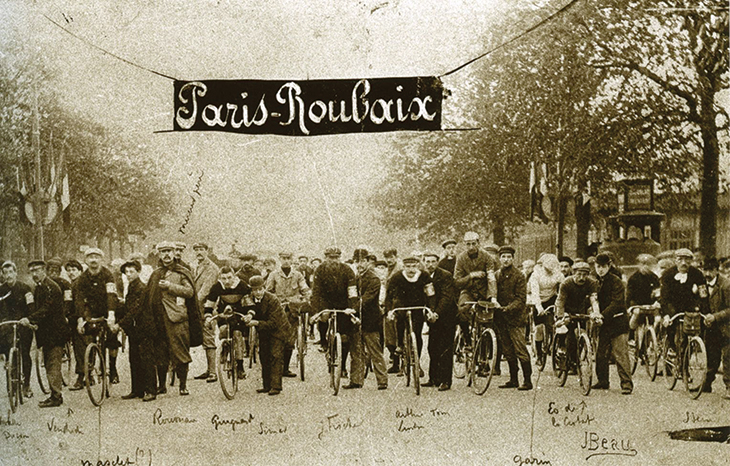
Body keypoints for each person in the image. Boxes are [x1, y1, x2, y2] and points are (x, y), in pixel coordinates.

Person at [145, 241, 202, 396]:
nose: (167, 254)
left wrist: (169, 286)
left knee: (180, 352)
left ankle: (182, 386)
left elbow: (189, 292)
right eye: (163, 251)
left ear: (174, 252)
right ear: (159, 254)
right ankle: (161, 385)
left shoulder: (182, 272)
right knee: (160, 353)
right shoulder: (156, 273)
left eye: (169, 251)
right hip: (159, 318)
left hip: (177, 318)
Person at [74, 248, 121, 387]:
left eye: (96, 257)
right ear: (86, 260)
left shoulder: (108, 275)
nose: (93, 260)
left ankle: (112, 368)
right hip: (92, 311)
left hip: (108, 308)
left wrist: (111, 314)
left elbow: (111, 295)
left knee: (112, 337)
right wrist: (80, 319)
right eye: (90, 257)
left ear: (101, 259)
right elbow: (79, 300)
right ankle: (89, 366)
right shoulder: (82, 279)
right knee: (87, 336)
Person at [25, 260, 68, 407]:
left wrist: (31, 319)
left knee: (52, 364)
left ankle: (56, 397)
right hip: (47, 333)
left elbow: (46, 309)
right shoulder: (40, 287)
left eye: (37, 270)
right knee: (50, 364)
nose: (34, 274)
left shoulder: (51, 287)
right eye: (32, 271)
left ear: (44, 270)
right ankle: (54, 394)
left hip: (55, 332)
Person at [310, 246, 357, 378]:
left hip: (343, 302)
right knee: (324, 317)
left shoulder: (347, 270)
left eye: (337, 258)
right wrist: (316, 312)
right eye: (331, 258)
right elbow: (316, 292)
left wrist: (352, 307)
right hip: (326, 301)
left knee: (345, 337)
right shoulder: (320, 270)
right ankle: (324, 342)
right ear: (326, 258)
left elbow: (352, 290)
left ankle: (342, 367)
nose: (334, 260)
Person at [345, 249, 388, 390]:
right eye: (357, 261)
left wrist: (354, 308)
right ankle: (356, 381)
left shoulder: (374, 279)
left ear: (368, 262)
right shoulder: (355, 278)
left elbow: (368, 298)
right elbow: (351, 296)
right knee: (356, 351)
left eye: (363, 261)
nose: (360, 264)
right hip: (356, 319)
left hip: (370, 320)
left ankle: (382, 381)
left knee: (375, 351)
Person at [385, 256, 436, 376]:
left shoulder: (424, 276)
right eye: (408, 266)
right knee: (400, 320)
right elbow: (389, 296)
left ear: (418, 266)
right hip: (402, 305)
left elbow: (431, 295)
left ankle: (417, 362)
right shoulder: (397, 277)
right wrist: (389, 311)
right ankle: (400, 345)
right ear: (403, 267)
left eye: (413, 266)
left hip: (418, 306)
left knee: (417, 334)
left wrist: (431, 310)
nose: (411, 269)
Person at [659, 249, 708, 365]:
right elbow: (664, 298)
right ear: (675, 261)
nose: (683, 263)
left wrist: (706, 313)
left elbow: (703, 295)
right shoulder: (667, 275)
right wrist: (666, 315)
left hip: (690, 306)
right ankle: (671, 347)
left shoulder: (697, 274)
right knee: (671, 324)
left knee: (692, 332)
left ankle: (686, 360)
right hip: (672, 306)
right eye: (680, 259)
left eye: (687, 259)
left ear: (691, 261)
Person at [244, 275, 291, 395]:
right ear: (251, 290)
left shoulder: (272, 299)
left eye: (260, 289)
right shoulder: (249, 299)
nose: (258, 292)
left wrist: (256, 322)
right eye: (255, 290)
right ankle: (266, 385)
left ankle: (276, 386)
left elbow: (274, 323)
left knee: (275, 355)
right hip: (264, 330)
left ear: (264, 288)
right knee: (264, 356)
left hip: (278, 330)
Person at [593, 253, 633, 394]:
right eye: (598, 267)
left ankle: (626, 384)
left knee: (620, 354)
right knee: (601, 353)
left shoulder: (616, 282)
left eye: (603, 267)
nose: (601, 270)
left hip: (617, 321)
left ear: (609, 266)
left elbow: (617, 303)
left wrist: (601, 315)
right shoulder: (596, 281)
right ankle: (603, 381)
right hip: (604, 322)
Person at [204, 266, 252, 382]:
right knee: (223, 330)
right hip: (223, 313)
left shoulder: (242, 286)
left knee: (237, 335)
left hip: (238, 314)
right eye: (223, 278)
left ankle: (240, 366)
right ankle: (225, 346)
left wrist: (249, 314)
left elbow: (250, 304)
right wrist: (208, 316)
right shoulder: (217, 287)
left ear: (234, 276)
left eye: (229, 278)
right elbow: (209, 304)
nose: (226, 281)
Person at [266, 252, 310, 378]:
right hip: (278, 309)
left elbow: (304, 288)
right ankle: (275, 369)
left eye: (288, 258)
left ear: (292, 260)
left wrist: (307, 297)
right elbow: (268, 291)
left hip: (292, 310)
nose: (286, 261)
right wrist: (275, 300)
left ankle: (285, 368)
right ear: (280, 259)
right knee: (276, 338)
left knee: (290, 340)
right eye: (283, 258)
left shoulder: (297, 275)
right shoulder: (273, 275)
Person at [495, 246, 532, 390]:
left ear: (513, 259)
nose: (506, 260)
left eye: (509, 257)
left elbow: (521, 298)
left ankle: (527, 380)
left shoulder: (519, 276)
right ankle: (513, 379)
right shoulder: (497, 275)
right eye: (503, 257)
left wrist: (507, 308)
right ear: (499, 259)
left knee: (520, 348)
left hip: (516, 318)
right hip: (501, 318)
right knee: (507, 349)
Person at [555, 261, 601, 373]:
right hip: (567, 310)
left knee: (581, 334)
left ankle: (578, 357)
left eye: (585, 275)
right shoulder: (566, 283)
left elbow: (594, 300)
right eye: (579, 274)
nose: (582, 277)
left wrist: (597, 314)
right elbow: (560, 301)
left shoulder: (591, 283)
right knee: (570, 335)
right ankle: (565, 354)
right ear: (573, 273)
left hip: (581, 310)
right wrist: (561, 316)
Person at [0, 261, 35, 399]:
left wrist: (28, 319)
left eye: (10, 272)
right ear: (2, 275)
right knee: (8, 350)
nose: (8, 275)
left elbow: (31, 306)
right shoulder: (1, 290)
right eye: (5, 273)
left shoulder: (25, 288)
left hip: (23, 324)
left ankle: (26, 385)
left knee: (25, 353)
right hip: (7, 325)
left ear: (15, 273)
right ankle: (12, 378)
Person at [423, 252, 456, 391]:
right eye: (427, 262)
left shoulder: (445, 275)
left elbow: (446, 297)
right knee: (432, 347)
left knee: (445, 348)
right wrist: (428, 313)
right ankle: (433, 378)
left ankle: (445, 381)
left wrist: (437, 313)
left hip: (446, 316)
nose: (430, 265)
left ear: (437, 262)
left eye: (433, 262)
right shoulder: (423, 276)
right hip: (432, 317)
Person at [116, 259, 149, 400]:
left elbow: (135, 310)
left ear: (138, 272)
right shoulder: (131, 286)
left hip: (143, 327)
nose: (128, 274)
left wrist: (120, 324)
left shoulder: (141, 287)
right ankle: (137, 390)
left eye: (131, 272)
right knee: (134, 358)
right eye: (126, 272)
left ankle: (149, 390)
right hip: (135, 329)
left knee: (144, 359)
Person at [192, 242, 220, 382]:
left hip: (207, 307)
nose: (199, 252)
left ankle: (213, 372)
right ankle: (208, 369)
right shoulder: (196, 266)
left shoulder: (212, 268)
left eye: (201, 249)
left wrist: (193, 303)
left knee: (208, 337)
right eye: (196, 250)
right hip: (198, 307)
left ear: (207, 251)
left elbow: (206, 289)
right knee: (203, 338)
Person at [701, 258, 729, 394]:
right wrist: (705, 316)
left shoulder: (726, 285)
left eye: (710, 270)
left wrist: (715, 317)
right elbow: (704, 303)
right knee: (711, 355)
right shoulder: (702, 285)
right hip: (712, 327)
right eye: (705, 270)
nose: (707, 273)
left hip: (727, 327)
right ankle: (706, 384)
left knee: (728, 357)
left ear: (717, 270)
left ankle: (729, 387)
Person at [382, 248, 402, 374]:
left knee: (399, 334)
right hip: (389, 302)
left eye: (391, 257)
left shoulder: (399, 268)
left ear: (396, 256)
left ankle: (401, 363)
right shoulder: (387, 270)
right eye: (387, 258)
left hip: (399, 302)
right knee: (389, 336)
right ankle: (395, 362)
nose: (389, 260)